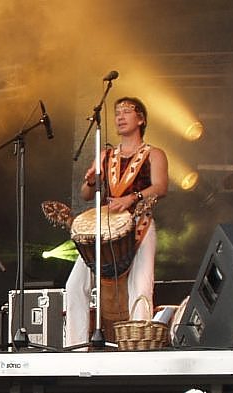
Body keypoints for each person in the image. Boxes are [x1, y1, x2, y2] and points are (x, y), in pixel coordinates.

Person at [65, 96, 168, 346]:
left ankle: (137, 348)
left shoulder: (154, 154)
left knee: (141, 288)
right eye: (117, 112)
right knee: (75, 284)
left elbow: (161, 187)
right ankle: (75, 347)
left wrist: (132, 198)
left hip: (139, 226)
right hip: (104, 229)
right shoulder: (105, 155)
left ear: (141, 119)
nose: (120, 117)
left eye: (127, 112)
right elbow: (85, 195)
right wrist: (90, 180)